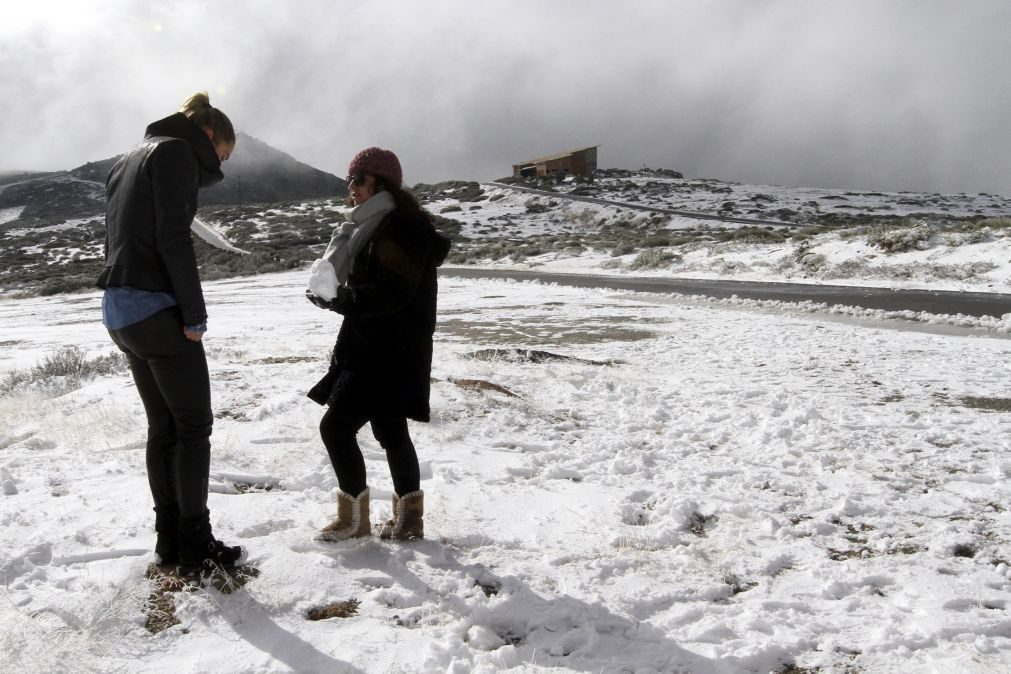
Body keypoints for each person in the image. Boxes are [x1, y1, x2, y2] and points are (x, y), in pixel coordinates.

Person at [97, 92, 242, 572]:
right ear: (208, 134)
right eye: (223, 153)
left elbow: (116, 238)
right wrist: (193, 314)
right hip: (158, 309)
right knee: (194, 428)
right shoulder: (176, 152)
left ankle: (170, 541)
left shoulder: (127, 159)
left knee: (164, 428)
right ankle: (196, 547)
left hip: (121, 309)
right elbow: (173, 237)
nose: (220, 165)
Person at [306, 147, 451, 542]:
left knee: (336, 428)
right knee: (390, 430)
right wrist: (329, 293)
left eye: (357, 180)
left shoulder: (402, 227)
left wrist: (339, 300)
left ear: (379, 182)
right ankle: (408, 521)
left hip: (388, 352)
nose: (350, 188)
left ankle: (354, 521)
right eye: (349, 180)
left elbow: (393, 295)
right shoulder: (373, 225)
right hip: (376, 346)